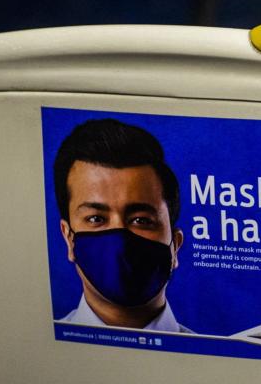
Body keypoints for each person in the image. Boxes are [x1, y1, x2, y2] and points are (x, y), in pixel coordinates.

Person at [52, 118, 190, 332]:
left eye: (141, 220)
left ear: (175, 246)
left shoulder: (225, 360)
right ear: (68, 240)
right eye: (96, 219)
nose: (120, 242)